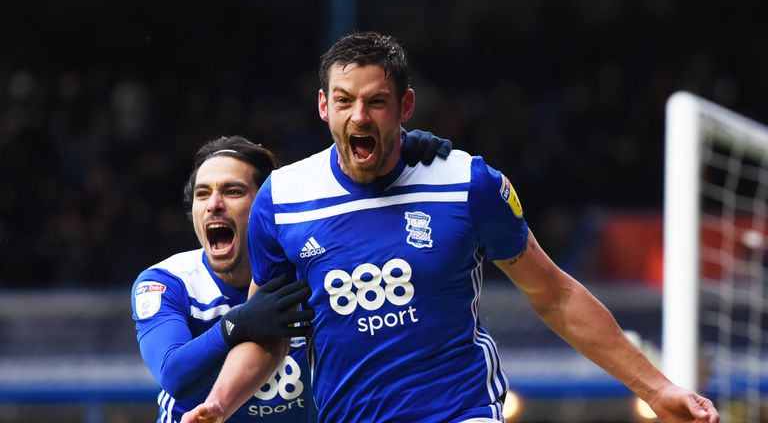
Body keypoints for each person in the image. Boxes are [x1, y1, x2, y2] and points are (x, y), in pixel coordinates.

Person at [182, 32, 720, 423]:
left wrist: (657, 388)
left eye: (376, 102)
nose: (359, 117)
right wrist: (219, 404)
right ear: (323, 107)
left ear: (405, 107)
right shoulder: (283, 198)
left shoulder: (467, 183)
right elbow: (270, 330)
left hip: (460, 411)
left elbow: (554, 295)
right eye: (344, 101)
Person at [132, 132, 451, 423]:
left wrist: (396, 155)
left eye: (232, 191)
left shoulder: (312, 272)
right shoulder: (167, 282)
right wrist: (237, 325)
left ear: (265, 208)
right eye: (203, 194)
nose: (214, 205)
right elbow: (173, 374)